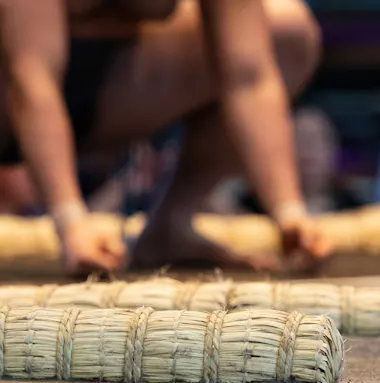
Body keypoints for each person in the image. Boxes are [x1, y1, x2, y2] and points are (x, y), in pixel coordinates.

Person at [0, 0, 328, 274]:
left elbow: (249, 76)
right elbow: (30, 79)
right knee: (27, 67)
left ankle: (171, 225)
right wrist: (70, 221)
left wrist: (289, 211)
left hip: (106, 80)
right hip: (13, 85)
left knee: (286, 32)